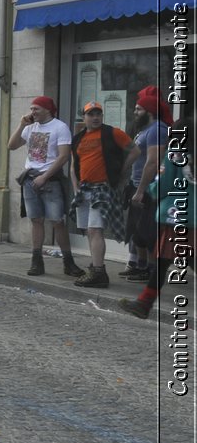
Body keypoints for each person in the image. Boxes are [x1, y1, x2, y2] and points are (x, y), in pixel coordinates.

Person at [121, 115, 191, 319]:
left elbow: (164, 183)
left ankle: (144, 303)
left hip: (176, 216)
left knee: (164, 259)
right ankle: (144, 302)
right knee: (164, 260)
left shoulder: (175, 155)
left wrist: (149, 189)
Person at [8, 96, 84, 279]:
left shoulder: (60, 127)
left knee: (58, 221)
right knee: (36, 220)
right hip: (30, 179)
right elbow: (12, 145)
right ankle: (36, 261)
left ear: (47, 110)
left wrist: (45, 177)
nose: (32, 112)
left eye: (36, 109)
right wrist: (21, 125)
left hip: (50, 181)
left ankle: (68, 261)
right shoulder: (31, 127)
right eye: (32, 109)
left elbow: (64, 156)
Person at [68, 101, 134, 289]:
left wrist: (120, 171)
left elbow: (134, 150)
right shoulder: (78, 138)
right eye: (91, 114)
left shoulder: (112, 133)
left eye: (98, 114)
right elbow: (74, 164)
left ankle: (98, 272)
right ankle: (95, 267)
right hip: (84, 189)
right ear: (84, 117)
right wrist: (75, 188)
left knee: (95, 230)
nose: (96, 117)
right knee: (89, 231)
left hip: (103, 189)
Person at [125, 85, 170, 283]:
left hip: (150, 188)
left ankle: (152, 270)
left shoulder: (158, 130)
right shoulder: (145, 130)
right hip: (136, 185)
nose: (135, 112)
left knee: (148, 232)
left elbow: (153, 162)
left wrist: (141, 190)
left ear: (150, 111)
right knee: (137, 231)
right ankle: (140, 266)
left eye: (139, 109)